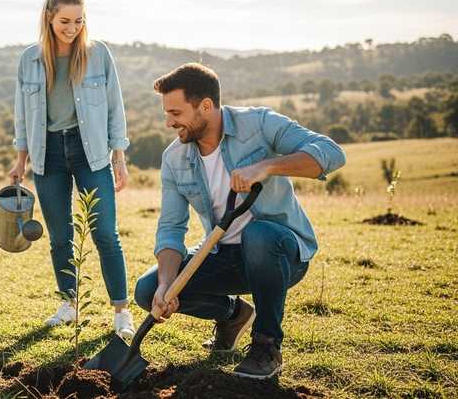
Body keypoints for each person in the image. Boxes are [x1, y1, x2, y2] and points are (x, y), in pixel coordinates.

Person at [134, 63, 346, 379]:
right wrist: (166, 283)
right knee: (147, 289)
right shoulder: (174, 158)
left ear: (206, 106)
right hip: (224, 256)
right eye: (167, 113)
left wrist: (267, 167)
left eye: (176, 113)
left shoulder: (259, 124)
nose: (168, 122)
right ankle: (233, 315)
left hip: (279, 253)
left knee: (258, 235)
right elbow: (170, 228)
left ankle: (266, 346)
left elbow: (331, 153)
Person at [8, 0, 135, 339]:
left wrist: (119, 157)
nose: (72, 28)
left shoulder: (99, 55)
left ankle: (121, 311)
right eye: (64, 21)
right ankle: (69, 304)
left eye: (79, 21)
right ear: (49, 16)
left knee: (105, 233)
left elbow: (114, 108)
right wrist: (20, 160)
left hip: (90, 152)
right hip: (47, 154)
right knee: (60, 237)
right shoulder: (29, 60)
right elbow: (21, 116)